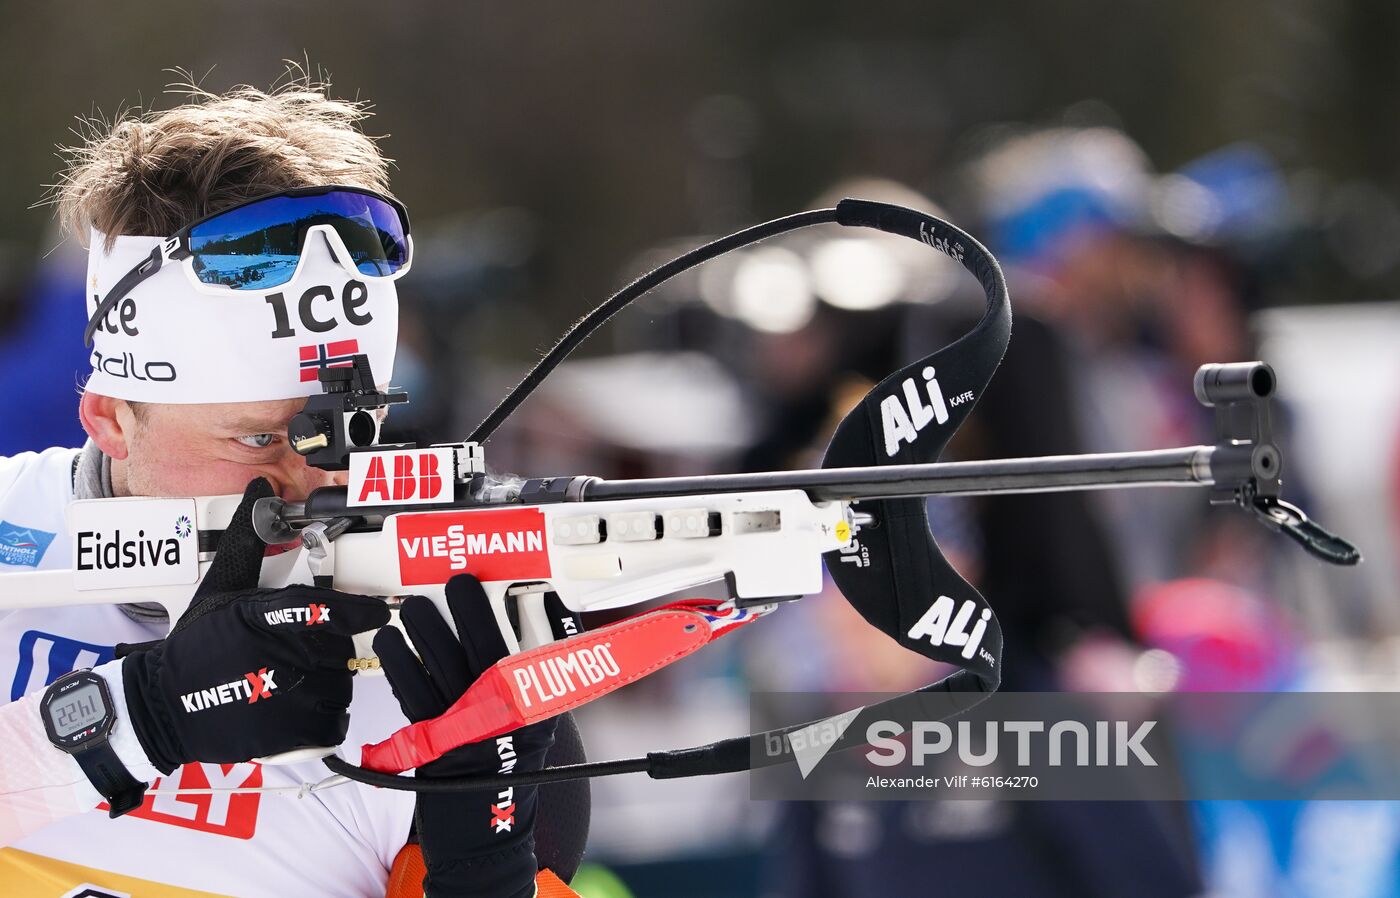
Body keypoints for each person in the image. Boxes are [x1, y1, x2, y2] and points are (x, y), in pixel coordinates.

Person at [0, 75, 586, 897]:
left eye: (348, 433)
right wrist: (142, 716)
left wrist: (485, 873)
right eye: (258, 438)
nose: (311, 480)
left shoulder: (438, 650)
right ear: (110, 419)